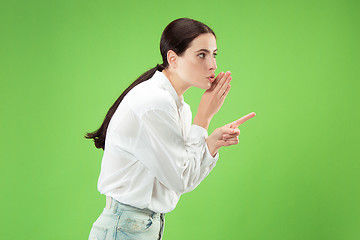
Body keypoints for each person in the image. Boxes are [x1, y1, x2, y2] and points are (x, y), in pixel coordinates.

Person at [85, 17, 256, 240]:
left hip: (141, 226)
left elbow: (183, 176)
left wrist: (211, 143)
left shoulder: (179, 107)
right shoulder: (155, 102)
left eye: (214, 54)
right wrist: (204, 118)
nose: (212, 64)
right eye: (201, 55)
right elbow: (181, 179)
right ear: (173, 59)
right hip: (126, 228)